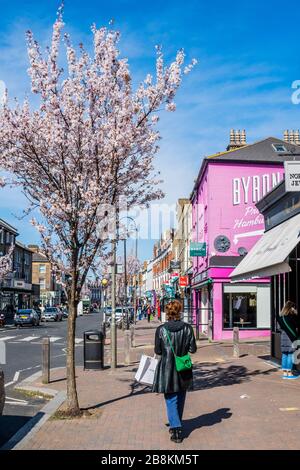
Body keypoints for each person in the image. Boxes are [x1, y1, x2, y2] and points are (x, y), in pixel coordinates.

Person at [152, 299, 197, 444]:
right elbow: (193, 349)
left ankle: (176, 429)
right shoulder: (187, 328)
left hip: (167, 369)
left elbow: (158, 350)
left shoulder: (161, 330)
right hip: (182, 367)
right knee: (181, 396)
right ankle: (176, 423)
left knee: (171, 399)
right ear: (180, 311)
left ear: (167, 312)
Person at [278, 301, 299, 379]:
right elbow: (296, 326)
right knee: (290, 354)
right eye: (294, 307)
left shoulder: (281, 317)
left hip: (283, 337)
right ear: (291, 308)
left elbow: (278, 328)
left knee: (284, 354)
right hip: (290, 338)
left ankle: (284, 373)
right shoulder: (291, 316)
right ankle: (290, 374)